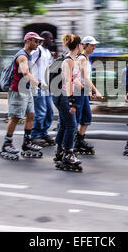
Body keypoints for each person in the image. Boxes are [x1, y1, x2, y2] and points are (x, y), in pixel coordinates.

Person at [0, 32, 45, 160]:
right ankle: (7, 143)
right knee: (15, 117)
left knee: (31, 114)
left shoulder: (28, 55)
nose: (38, 44)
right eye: (36, 41)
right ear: (28, 41)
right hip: (17, 91)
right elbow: (26, 74)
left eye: (39, 42)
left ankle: (27, 142)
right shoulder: (22, 56)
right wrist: (40, 85)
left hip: (26, 90)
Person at [53, 34, 83, 172]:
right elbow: (67, 81)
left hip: (62, 95)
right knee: (72, 125)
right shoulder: (68, 61)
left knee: (65, 124)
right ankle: (68, 154)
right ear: (78, 46)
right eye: (81, 44)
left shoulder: (73, 60)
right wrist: (71, 100)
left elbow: (73, 79)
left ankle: (60, 151)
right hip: (63, 96)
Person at [73, 36, 103, 155]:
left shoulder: (86, 58)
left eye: (94, 45)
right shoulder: (82, 59)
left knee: (86, 117)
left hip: (83, 91)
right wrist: (96, 90)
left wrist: (89, 91)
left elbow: (86, 78)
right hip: (77, 91)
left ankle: (79, 141)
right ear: (85, 46)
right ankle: (71, 143)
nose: (94, 47)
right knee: (76, 119)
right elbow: (84, 78)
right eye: (92, 45)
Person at [31, 31, 56, 147]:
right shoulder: (38, 51)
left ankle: (43, 133)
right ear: (44, 39)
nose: (52, 40)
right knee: (40, 113)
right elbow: (29, 64)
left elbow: (49, 69)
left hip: (46, 87)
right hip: (37, 86)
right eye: (50, 38)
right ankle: (35, 136)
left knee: (49, 112)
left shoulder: (48, 53)